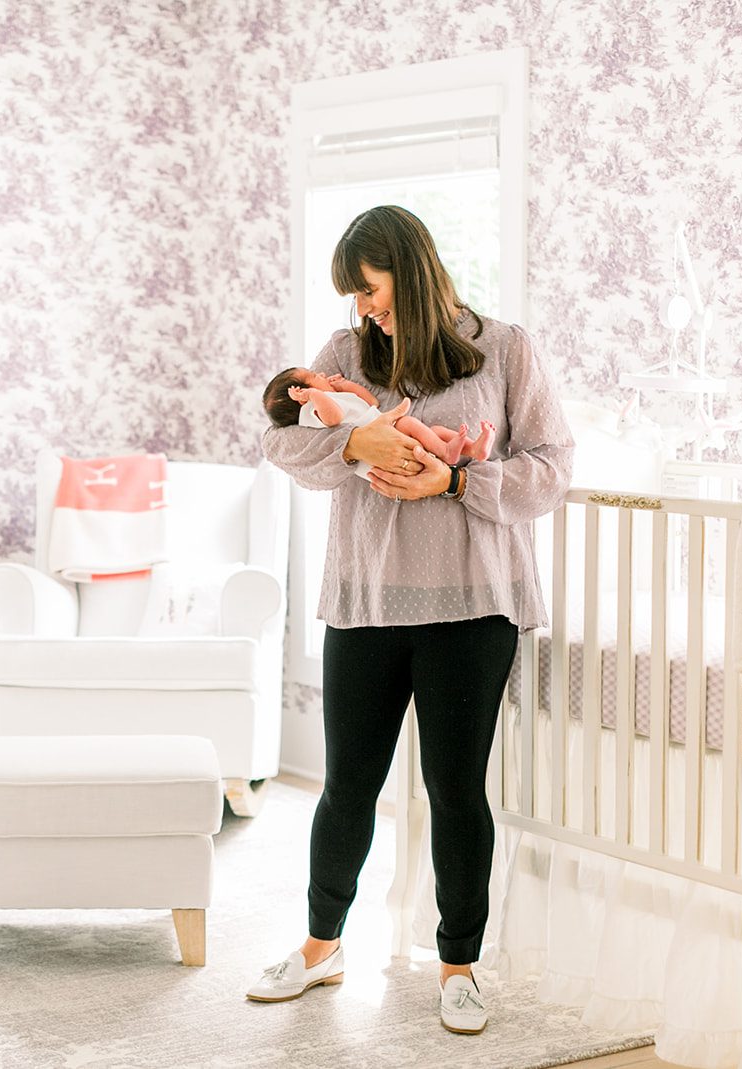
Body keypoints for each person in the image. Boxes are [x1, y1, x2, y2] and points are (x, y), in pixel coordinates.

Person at [246, 205, 573, 1035]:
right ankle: (321, 949)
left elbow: (551, 470)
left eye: (369, 286)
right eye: (353, 293)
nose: (362, 306)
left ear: (410, 267)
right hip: (367, 601)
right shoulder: (349, 354)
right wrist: (355, 448)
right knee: (347, 785)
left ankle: (459, 968)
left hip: (471, 605)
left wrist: (457, 484)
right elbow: (281, 441)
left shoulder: (505, 348)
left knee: (454, 791)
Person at [262, 366, 496, 468]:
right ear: (302, 396)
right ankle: (447, 453)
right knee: (410, 423)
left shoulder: (335, 397)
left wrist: (346, 385)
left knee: (436, 432)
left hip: (387, 431)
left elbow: (370, 402)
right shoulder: (313, 411)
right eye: (314, 376)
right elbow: (333, 418)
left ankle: (473, 449)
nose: (321, 374)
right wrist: (314, 394)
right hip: (388, 437)